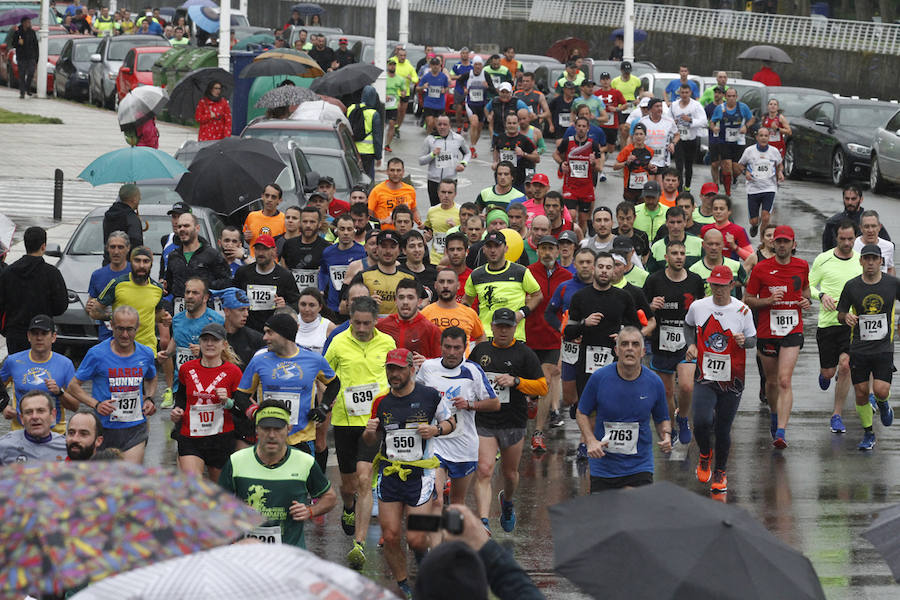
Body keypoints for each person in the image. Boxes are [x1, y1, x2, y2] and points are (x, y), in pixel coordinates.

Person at [361, 348, 454, 598]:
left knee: (415, 538)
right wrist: (370, 431)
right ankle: (404, 585)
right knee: (390, 536)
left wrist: (436, 430)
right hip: (390, 475)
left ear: (412, 369)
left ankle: (427, 565)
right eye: (390, 368)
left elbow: (451, 422)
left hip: (420, 476)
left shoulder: (430, 396)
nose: (394, 374)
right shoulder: (381, 402)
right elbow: (370, 441)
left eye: (399, 369)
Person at [325, 296, 395, 568]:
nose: (362, 328)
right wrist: (326, 402)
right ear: (350, 319)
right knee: (349, 484)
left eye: (367, 323)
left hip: (376, 421)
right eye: (357, 323)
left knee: (365, 479)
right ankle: (349, 507)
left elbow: (397, 375)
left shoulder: (387, 342)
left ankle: (359, 542)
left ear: (375, 321)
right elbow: (325, 376)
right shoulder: (339, 342)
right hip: (345, 420)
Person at [219, 398, 337, 548]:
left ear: (288, 428)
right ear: (257, 429)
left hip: (289, 558)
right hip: (248, 556)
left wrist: (310, 511)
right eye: (266, 428)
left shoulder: (304, 462)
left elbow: (330, 497)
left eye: (278, 429)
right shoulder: (237, 461)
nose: (272, 435)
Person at [470, 308, 547, 534]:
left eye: (508, 326)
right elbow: (467, 377)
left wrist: (516, 381)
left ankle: (508, 502)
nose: (503, 331)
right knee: (484, 470)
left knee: (510, 473)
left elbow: (542, 387)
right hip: (485, 420)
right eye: (499, 326)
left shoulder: (525, 354)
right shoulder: (480, 351)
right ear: (492, 327)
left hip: (513, 420)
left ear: (515, 328)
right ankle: (483, 521)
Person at [685, 265, 757, 496]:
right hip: (705, 376)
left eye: (722, 285)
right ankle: (705, 453)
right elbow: (687, 325)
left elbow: (753, 340)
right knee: (702, 420)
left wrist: (743, 341)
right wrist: (692, 345)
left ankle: (720, 471)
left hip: (733, 378)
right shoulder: (698, 306)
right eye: (714, 284)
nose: (717, 289)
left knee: (724, 428)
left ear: (731, 285)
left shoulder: (743, 311)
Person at [576, 326, 670, 492]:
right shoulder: (599, 378)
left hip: (639, 464)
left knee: (633, 513)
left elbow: (662, 418)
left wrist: (666, 435)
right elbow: (582, 412)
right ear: (616, 350)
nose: (629, 349)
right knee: (606, 517)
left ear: (642, 351)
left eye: (635, 344)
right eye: (624, 344)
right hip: (603, 465)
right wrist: (590, 440)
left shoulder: (654, 382)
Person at [744, 225, 810, 449]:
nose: (782, 245)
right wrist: (768, 301)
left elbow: (806, 292)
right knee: (771, 382)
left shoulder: (802, 266)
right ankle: (774, 414)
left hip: (793, 330)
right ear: (773, 243)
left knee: (784, 380)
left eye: (786, 241)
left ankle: (781, 430)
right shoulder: (762, 268)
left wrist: (806, 301)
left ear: (794, 244)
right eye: (778, 241)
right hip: (767, 331)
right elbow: (748, 299)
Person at [417, 326, 498, 507]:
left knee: (457, 502)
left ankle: (453, 535)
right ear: (441, 346)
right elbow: (414, 392)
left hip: (463, 444)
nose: (452, 352)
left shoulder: (473, 371)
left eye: (457, 348)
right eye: (447, 347)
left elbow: (495, 403)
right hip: (435, 443)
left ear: (465, 347)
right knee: (435, 498)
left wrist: (470, 405)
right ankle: (434, 535)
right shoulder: (428, 367)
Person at [67, 306, 157, 464]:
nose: (125, 334)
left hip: (135, 428)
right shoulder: (97, 354)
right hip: (103, 429)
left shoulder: (146, 353)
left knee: (129, 477)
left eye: (130, 329)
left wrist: (149, 398)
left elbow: (151, 377)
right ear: (111, 326)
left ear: (137, 328)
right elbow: (73, 386)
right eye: (120, 329)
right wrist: (96, 404)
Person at [837, 244, 900, 451]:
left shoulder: (892, 284)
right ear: (861, 261)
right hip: (859, 347)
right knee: (862, 392)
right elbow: (840, 313)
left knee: (881, 390)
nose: (871, 262)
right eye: (867, 259)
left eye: (875, 259)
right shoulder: (852, 286)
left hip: (883, 347)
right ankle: (868, 433)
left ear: (881, 261)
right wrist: (846, 317)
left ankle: (883, 403)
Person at [644, 241, 706, 445]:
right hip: (661, 343)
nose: (679, 257)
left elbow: (701, 312)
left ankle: (683, 418)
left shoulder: (695, 281)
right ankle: (670, 426)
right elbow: (642, 312)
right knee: (667, 392)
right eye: (674, 253)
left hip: (686, 342)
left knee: (687, 387)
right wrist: (651, 306)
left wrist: (696, 342)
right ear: (666, 257)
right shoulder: (654, 281)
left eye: (682, 253)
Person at [168, 322, 242, 481]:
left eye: (214, 340)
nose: (209, 344)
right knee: (192, 486)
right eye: (205, 340)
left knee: (220, 492)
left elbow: (241, 408)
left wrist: (227, 401)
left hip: (220, 437)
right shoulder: (186, 369)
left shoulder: (233, 372)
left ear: (224, 345)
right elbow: (181, 397)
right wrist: (177, 410)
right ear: (199, 343)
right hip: (191, 436)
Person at [809, 221, 860, 433]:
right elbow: (808, 286)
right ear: (835, 238)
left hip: (851, 323)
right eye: (843, 239)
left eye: (850, 239)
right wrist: (821, 295)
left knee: (846, 365)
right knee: (830, 373)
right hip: (828, 323)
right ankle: (826, 374)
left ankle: (837, 414)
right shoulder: (824, 259)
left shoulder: (860, 260)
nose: (847, 243)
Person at [526, 235, 572, 451]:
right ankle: (531, 399)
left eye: (550, 249)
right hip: (528, 337)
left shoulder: (566, 276)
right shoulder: (527, 272)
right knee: (530, 385)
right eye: (542, 248)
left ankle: (538, 433)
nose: (546, 253)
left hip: (553, 339)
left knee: (544, 383)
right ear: (538, 251)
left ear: (558, 252)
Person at [0, 315, 77, 436]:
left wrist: (59, 392)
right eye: (35, 333)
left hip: (55, 434)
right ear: (28, 337)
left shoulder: (65, 364)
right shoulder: (13, 361)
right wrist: (3, 407)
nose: (39, 338)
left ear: (53, 337)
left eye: (44, 333)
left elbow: (75, 406)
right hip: (20, 433)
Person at [464, 231, 542, 342]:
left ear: (506, 248)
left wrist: (521, 313)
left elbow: (537, 295)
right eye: (489, 246)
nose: (493, 250)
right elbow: (466, 302)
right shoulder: (476, 275)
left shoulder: (520, 271)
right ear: (483, 249)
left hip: (514, 336)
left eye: (497, 246)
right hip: (485, 336)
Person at [0, 227, 67, 354]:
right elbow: (61, 306)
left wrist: (7, 329)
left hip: (15, 333)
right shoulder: (51, 273)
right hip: (42, 333)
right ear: (43, 246)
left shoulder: (8, 273)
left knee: (18, 371)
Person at [92, 246, 167, 354]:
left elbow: (158, 315)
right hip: (121, 349)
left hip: (147, 349)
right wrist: (114, 317)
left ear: (151, 264)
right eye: (137, 261)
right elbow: (95, 312)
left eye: (146, 261)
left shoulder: (158, 289)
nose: (141, 265)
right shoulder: (117, 283)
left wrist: (165, 318)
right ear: (130, 262)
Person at [164, 277, 224, 388]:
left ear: (205, 298)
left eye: (195, 293)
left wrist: (203, 351)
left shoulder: (216, 320)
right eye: (187, 292)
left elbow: (227, 353)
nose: (190, 296)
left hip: (208, 385)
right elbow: (176, 340)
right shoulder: (177, 319)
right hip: (181, 384)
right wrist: (166, 354)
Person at [234, 235, 301, 333]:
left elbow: (296, 303)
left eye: (265, 249)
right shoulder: (243, 272)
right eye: (257, 249)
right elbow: (234, 297)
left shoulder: (284, 275)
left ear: (274, 251)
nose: (260, 253)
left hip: (274, 330)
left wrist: (285, 306)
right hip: (248, 329)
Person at [163, 212, 232, 306]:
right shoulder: (173, 256)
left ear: (197, 228)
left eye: (186, 226)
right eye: (179, 227)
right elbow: (169, 285)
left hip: (205, 311)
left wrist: (203, 287)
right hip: (180, 313)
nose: (182, 229)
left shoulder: (211, 254)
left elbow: (227, 281)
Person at [554, 116, 605, 233]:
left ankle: (580, 242)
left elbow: (599, 167)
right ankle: (569, 238)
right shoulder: (567, 141)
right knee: (571, 215)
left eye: (584, 126)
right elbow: (555, 154)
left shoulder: (593, 144)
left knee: (583, 219)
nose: (581, 129)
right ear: (575, 127)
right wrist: (561, 163)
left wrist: (593, 163)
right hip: (570, 186)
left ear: (588, 128)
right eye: (579, 126)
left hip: (586, 187)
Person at [737, 127, 784, 238]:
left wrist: (780, 173)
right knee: (754, 220)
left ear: (769, 137)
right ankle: (754, 226)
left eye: (766, 136)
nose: (763, 138)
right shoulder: (749, 151)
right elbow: (740, 165)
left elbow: (779, 165)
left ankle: (763, 241)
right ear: (757, 137)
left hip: (769, 188)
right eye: (761, 135)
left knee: (766, 217)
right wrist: (746, 173)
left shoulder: (774, 151)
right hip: (753, 188)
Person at [377, 279, 442, 359]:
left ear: (419, 301)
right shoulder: (380, 326)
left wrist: (427, 363)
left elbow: (440, 363)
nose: (405, 302)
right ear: (395, 300)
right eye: (401, 297)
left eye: (410, 298)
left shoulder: (431, 330)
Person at [355, 230, 414, 318]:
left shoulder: (409, 277)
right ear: (377, 248)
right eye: (384, 246)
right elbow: (343, 306)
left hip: (399, 328)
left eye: (392, 247)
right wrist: (366, 303)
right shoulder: (363, 276)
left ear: (399, 250)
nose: (388, 251)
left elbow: (425, 300)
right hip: (372, 328)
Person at [709, 88, 755, 196]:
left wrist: (745, 126)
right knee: (727, 166)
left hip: (739, 142)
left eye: (733, 96)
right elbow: (712, 122)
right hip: (724, 141)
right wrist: (714, 128)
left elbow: (752, 119)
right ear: (725, 97)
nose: (731, 98)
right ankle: (727, 193)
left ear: (736, 97)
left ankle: (735, 178)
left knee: (736, 169)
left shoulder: (743, 107)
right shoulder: (720, 108)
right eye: (729, 96)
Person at [0, 391, 67, 464]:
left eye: (40, 411)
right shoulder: (4, 446)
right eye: (28, 412)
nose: (34, 417)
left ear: (53, 415)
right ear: (22, 418)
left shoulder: (66, 446)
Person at [822, 184, 891, 252]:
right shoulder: (833, 223)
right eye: (847, 198)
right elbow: (826, 251)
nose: (850, 202)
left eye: (853, 199)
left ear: (861, 199)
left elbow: (887, 247)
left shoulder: (871, 223)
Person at [420, 116, 470, 207]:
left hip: (450, 180)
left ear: (449, 125)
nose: (442, 127)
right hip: (434, 180)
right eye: (439, 124)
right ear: (436, 125)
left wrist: (463, 164)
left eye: (445, 124)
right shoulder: (430, 139)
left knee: (448, 207)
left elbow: (468, 153)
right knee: (435, 208)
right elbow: (421, 161)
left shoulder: (458, 139)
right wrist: (432, 154)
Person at [281, 206, 330, 291]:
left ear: (319, 224)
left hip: (317, 297)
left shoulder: (326, 247)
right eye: (305, 221)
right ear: (300, 223)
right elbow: (283, 267)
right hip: (293, 297)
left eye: (312, 222)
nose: (308, 225)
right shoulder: (289, 244)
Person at [669, 83, 707, 191]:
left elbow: (704, 121)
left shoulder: (696, 105)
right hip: (678, 139)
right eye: (682, 92)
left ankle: (687, 186)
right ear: (679, 93)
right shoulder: (674, 105)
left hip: (691, 139)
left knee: (689, 166)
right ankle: (679, 188)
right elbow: (667, 119)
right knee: (679, 165)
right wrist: (673, 122)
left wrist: (690, 120)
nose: (684, 95)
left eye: (687, 92)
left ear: (690, 93)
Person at [690, 229, 748, 296]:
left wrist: (743, 301)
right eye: (710, 244)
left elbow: (749, 286)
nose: (714, 248)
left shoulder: (736, 265)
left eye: (717, 244)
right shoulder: (694, 270)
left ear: (723, 245)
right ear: (703, 245)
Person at [646, 207, 703, 273]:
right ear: (666, 223)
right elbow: (651, 275)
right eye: (672, 222)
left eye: (679, 222)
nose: (675, 226)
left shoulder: (699, 244)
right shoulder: (656, 247)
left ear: (685, 222)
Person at [367, 157, 420, 229]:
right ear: (387, 171)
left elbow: (414, 210)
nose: (395, 173)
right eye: (392, 170)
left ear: (403, 172)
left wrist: (419, 223)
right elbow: (368, 216)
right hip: (384, 235)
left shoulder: (410, 190)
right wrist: (383, 221)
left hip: (404, 234)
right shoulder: (377, 191)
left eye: (398, 170)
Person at [492, 113, 539, 192]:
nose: (511, 125)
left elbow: (537, 159)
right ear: (505, 124)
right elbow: (496, 150)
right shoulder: (499, 138)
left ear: (518, 124)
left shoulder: (525, 140)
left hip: (520, 178)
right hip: (504, 177)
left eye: (514, 123)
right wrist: (495, 162)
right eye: (509, 123)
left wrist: (523, 154)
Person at [702, 195, 753, 262]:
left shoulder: (738, 230)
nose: (718, 212)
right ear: (712, 211)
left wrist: (734, 247)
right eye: (715, 209)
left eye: (721, 209)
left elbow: (752, 258)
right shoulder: (705, 229)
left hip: (730, 270)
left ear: (729, 211)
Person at [347, 86, 383, 180]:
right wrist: (379, 156)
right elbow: (377, 137)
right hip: (368, 152)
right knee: (367, 178)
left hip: (353, 150)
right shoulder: (374, 114)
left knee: (354, 176)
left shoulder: (351, 108)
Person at [637, 99, 679, 177]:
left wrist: (673, 143)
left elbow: (677, 135)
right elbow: (636, 138)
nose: (660, 108)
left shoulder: (669, 121)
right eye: (656, 106)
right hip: (647, 158)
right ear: (650, 109)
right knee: (649, 185)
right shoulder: (643, 121)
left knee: (661, 186)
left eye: (661, 106)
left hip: (663, 159)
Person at [424, 179, 461, 263]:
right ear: (438, 193)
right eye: (443, 192)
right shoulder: (432, 211)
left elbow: (468, 237)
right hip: (435, 260)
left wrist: (456, 229)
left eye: (450, 192)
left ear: (455, 194)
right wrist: (426, 237)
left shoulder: (461, 212)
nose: (446, 196)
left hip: (454, 260)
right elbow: (427, 231)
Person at [243, 183, 286, 254]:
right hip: (254, 260)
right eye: (267, 195)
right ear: (262, 196)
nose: (269, 199)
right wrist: (246, 238)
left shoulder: (284, 219)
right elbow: (248, 242)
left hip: (274, 262)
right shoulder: (251, 216)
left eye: (273, 197)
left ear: (279, 200)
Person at [102, 184, 143, 256]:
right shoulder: (131, 218)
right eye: (139, 196)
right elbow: (136, 246)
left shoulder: (108, 214)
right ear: (134, 199)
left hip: (108, 261)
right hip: (126, 264)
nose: (140, 199)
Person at [853, 210, 895, 275]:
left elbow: (890, 268)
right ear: (861, 228)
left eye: (873, 226)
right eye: (866, 227)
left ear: (879, 227)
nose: (870, 230)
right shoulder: (852, 246)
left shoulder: (889, 246)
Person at [418, 57, 451, 132]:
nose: (435, 66)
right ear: (430, 65)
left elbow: (447, 88)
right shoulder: (426, 77)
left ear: (440, 65)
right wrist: (423, 87)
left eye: (437, 64)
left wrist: (444, 90)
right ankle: (429, 140)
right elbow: (417, 88)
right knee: (430, 123)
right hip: (428, 104)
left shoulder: (443, 77)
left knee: (437, 125)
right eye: (433, 64)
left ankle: (436, 140)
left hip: (439, 105)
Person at [11, 17, 37, 98]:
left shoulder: (32, 32)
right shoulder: (18, 32)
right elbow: (13, 44)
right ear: (23, 23)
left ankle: (28, 88)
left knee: (31, 72)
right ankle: (22, 92)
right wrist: (18, 43)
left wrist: (36, 57)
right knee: (21, 74)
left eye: (29, 22)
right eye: (27, 22)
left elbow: (35, 44)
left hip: (31, 56)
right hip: (21, 56)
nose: (29, 24)